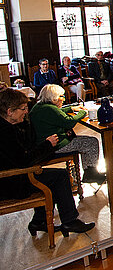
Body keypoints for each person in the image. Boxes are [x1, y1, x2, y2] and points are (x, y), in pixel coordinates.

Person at [0, 88, 95, 237]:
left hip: (12, 177)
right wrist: (47, 145)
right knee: (60, 176)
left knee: (50, 176)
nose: (26, 112)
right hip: (12, 182)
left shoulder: (7, 125)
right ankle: (69, 220)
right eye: (23, 109)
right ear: (10, 111)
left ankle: (39, 221)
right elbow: (25, 160)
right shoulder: (5, 132)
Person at [29, 85, 105, 184]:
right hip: (55, 145)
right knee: (91, 142)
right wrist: (82, 112)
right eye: (61, 96)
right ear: (53, 97)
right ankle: (90, 174)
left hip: (43, 143)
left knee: (85, 142)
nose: (64, 99)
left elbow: (58, 113)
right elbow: (68, 122)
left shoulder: (40, 106)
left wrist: (71, 108)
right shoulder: (49, 109)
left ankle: (89, 172)